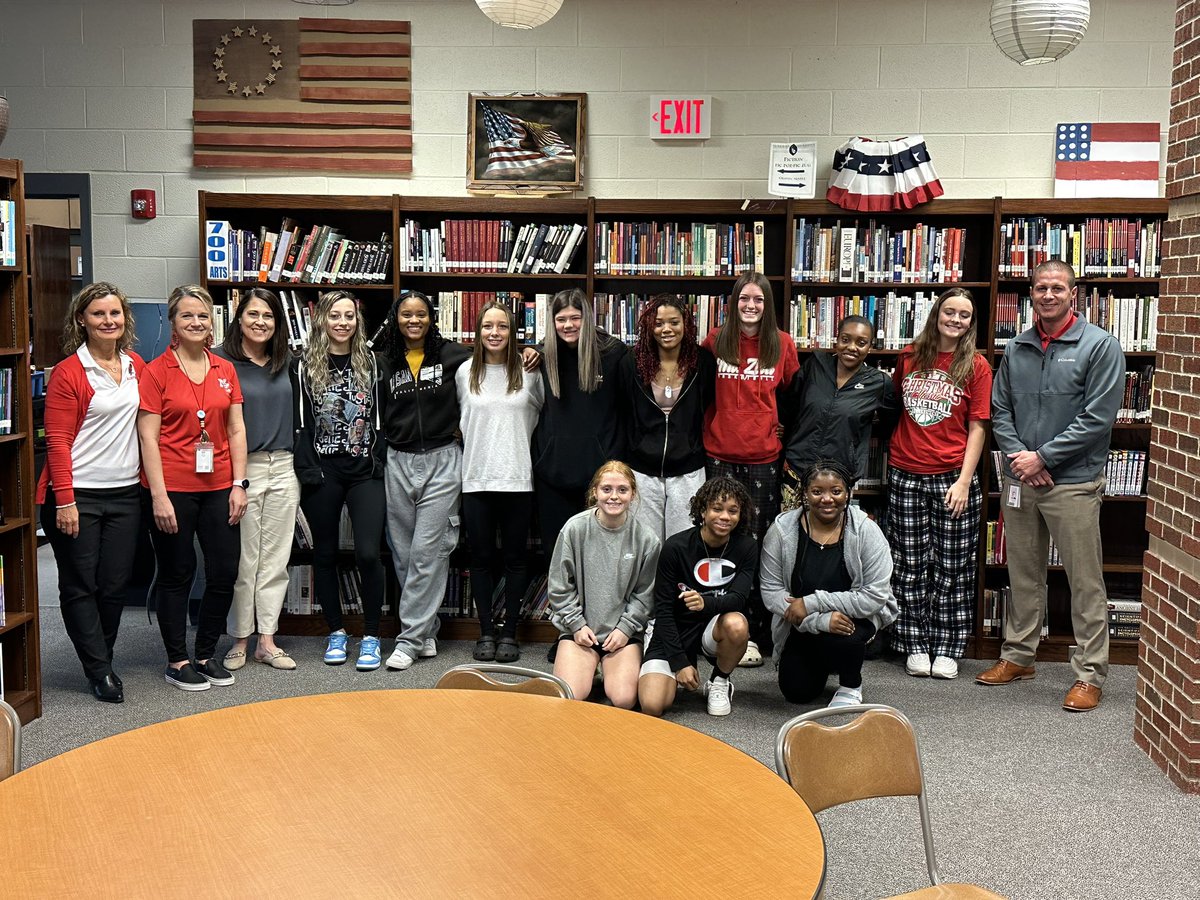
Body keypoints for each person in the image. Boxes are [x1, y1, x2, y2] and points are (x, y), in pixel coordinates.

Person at [979, 259, 1124, 713]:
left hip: (1073, 482)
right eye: (1040, 288)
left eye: (1057, 288)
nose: (1048, 295)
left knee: (1085, 581)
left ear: (1072, 294)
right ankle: (1019, 657)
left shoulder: (1099, 347)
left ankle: (1089, 674)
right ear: (1031, 295)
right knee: (1022, 574)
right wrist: (1023, 459)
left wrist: (1044, 457)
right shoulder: (1017, 347)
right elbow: (999, 409)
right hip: (1022, 479)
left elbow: (1097, 419)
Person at [37, 282, 145, 703]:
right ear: (81, 320)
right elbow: (57, 442)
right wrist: (64, 500)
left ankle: (103, 655)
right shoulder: (69, 372)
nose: (108, 321)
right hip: (76, 494)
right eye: (98, 314)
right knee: (80, 585)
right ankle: (99, 670)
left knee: (115, 583)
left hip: (124, 494)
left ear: (124, 319)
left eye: (114, 313)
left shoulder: (136, 364)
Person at [138, 285, 248, 692]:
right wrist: (159, 495)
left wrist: (239, 484)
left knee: (224, 572)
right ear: (173, 323)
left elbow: (235, 429)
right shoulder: (156, 372)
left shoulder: (225, 370)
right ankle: (177, 659)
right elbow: (148, 438)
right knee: (177, 573)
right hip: (173, 490)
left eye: (203, 316)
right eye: (187, 316)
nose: (196, 322)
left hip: (220, 485)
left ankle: (204, 654)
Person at [887, 288, 992, 680]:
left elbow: (978, 425)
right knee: (909, 564)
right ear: (937, 314)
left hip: (952, 476)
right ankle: (914, 642)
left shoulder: (977, 366)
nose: (956, 320)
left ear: (971, 323)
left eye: (964, 315)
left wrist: (965, 481)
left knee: (952, 565)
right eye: (950, 311)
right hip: (905, 471)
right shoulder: (910, 357)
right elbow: (899, 405)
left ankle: (947, 645)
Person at [702, 271, 800, 666]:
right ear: (734, 301)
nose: (751, 306)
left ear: (768, 305)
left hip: (763, 459)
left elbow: (793, 395)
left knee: (757, 547)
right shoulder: (715, 341)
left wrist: (781, 427)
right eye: (745, 299)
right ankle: (716, 628)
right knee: (717, 541)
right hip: (719, 454)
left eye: (759, 300)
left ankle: (754, 633)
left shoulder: (782, 345)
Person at [375, 290, 472, 672]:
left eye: (421, 315)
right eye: (406, 315)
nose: (413, 321)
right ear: (396, 320)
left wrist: (533, 351)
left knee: (428, 552)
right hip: (398, 461)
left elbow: (496, 357)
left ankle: (410, 639)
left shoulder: (453, 355)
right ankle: (428, 627)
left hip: (443, 460)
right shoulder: (383, 361)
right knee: (402, 551)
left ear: (431, 319)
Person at [294, 290, 388, 671]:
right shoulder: (304, 366)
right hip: (323, 471)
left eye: (349, 316)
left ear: (357, 321)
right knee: (325, 554)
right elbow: (301, 422)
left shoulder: (373, 362)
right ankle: (336, 631)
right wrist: (308, 468)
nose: (343, 323)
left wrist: (377, 458)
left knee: (368, 552)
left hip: (364, 471)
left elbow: (380, 416)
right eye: (335, 316)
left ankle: (370, 635)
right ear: (323, 321)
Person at [761, 459, 898, 707]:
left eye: (836, 491)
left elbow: (874, 596)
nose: (827, 499)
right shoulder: (781, 530)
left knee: (845, 633)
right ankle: (823, 662)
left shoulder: (867, 530)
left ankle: (850, 684)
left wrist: (813, 602)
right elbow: (771, 591)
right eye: (817, 491)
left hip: (853, 619)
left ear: (848, 493)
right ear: (804, 494)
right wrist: (819, 619)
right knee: (796, 693)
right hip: (803, 623)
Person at [217, 288, 301, 672]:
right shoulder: (220, 361)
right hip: (243, 469)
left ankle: (267, 640)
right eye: (253, 314)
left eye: (268, 316)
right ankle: (239, 639)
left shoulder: (287, 363)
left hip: (283, 466)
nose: (261, 322)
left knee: (275, 559)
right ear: (239, 317)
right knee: (244, 560)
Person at [457, 301, 545, 663]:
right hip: (476, 478)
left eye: (503, 327)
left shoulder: (530, 374)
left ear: (513, 332)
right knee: (480, 559)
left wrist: (536, 351)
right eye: (488, 326)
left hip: (517, 479)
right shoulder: (464, 373)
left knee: (515, 559)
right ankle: (486, 633)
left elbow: (543, 419)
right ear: (477, 333)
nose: (495, 333)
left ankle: (510, 634)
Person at [637, 476, 756, 718]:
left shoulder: (747, 547)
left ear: (740, 515)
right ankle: (675, 665)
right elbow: (663, 609)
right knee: (652, 706)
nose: (725, 517)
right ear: (702, 510)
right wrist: (679, 662)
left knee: (737, 623)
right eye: (717, 508)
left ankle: (719, 681)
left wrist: (705, 603)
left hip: (713, 628)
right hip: (676, 628)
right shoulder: (675, 547)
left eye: (733, 511)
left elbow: (739, 599)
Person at [548, 461, 660, 707]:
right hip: (580, 632)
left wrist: (625, 629)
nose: (614, 497)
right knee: (571, 696)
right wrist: (576, 624)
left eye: (622, 490)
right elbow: (559, 586)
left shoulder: (647, 539)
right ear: (595, 492)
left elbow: (646, 594)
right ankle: (589, 669)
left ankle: (605, 670)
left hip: (621, 636)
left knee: (623, 699)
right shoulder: (574, 529)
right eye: (606, 489)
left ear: (633, 494)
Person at [532, 288, 629, 555]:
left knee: (599, 553)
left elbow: (626, 409)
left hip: (599, 476)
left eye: (575, 318)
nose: (568, 325)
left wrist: (614, 459)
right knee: (557, 553)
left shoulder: (613, 354)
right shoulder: (542, 355)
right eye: (561, 319)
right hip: (552, 473)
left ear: (587, 318)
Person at [618, 294, 716, 543]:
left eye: (674, 322)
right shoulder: (632, 362)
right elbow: (623, 412)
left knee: (684, 542)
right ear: (649, 327)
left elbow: (710, 405)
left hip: (688, 469)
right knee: (646, 543)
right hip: (642, 470)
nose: (666, 329)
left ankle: (681, 585)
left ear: (686, 324)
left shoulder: (702, 362)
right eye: (659, 323)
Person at [781, 315, 897, 508]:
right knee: (789, 532)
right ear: (836, 340)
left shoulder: (879, 383)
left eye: (861, 343)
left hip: (839, 477)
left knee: (830, 536)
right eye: (845, 339)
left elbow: (889, 424)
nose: (852, 347)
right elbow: (790, 405)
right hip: (798, 467)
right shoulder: (814, 365)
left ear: (870, 347)